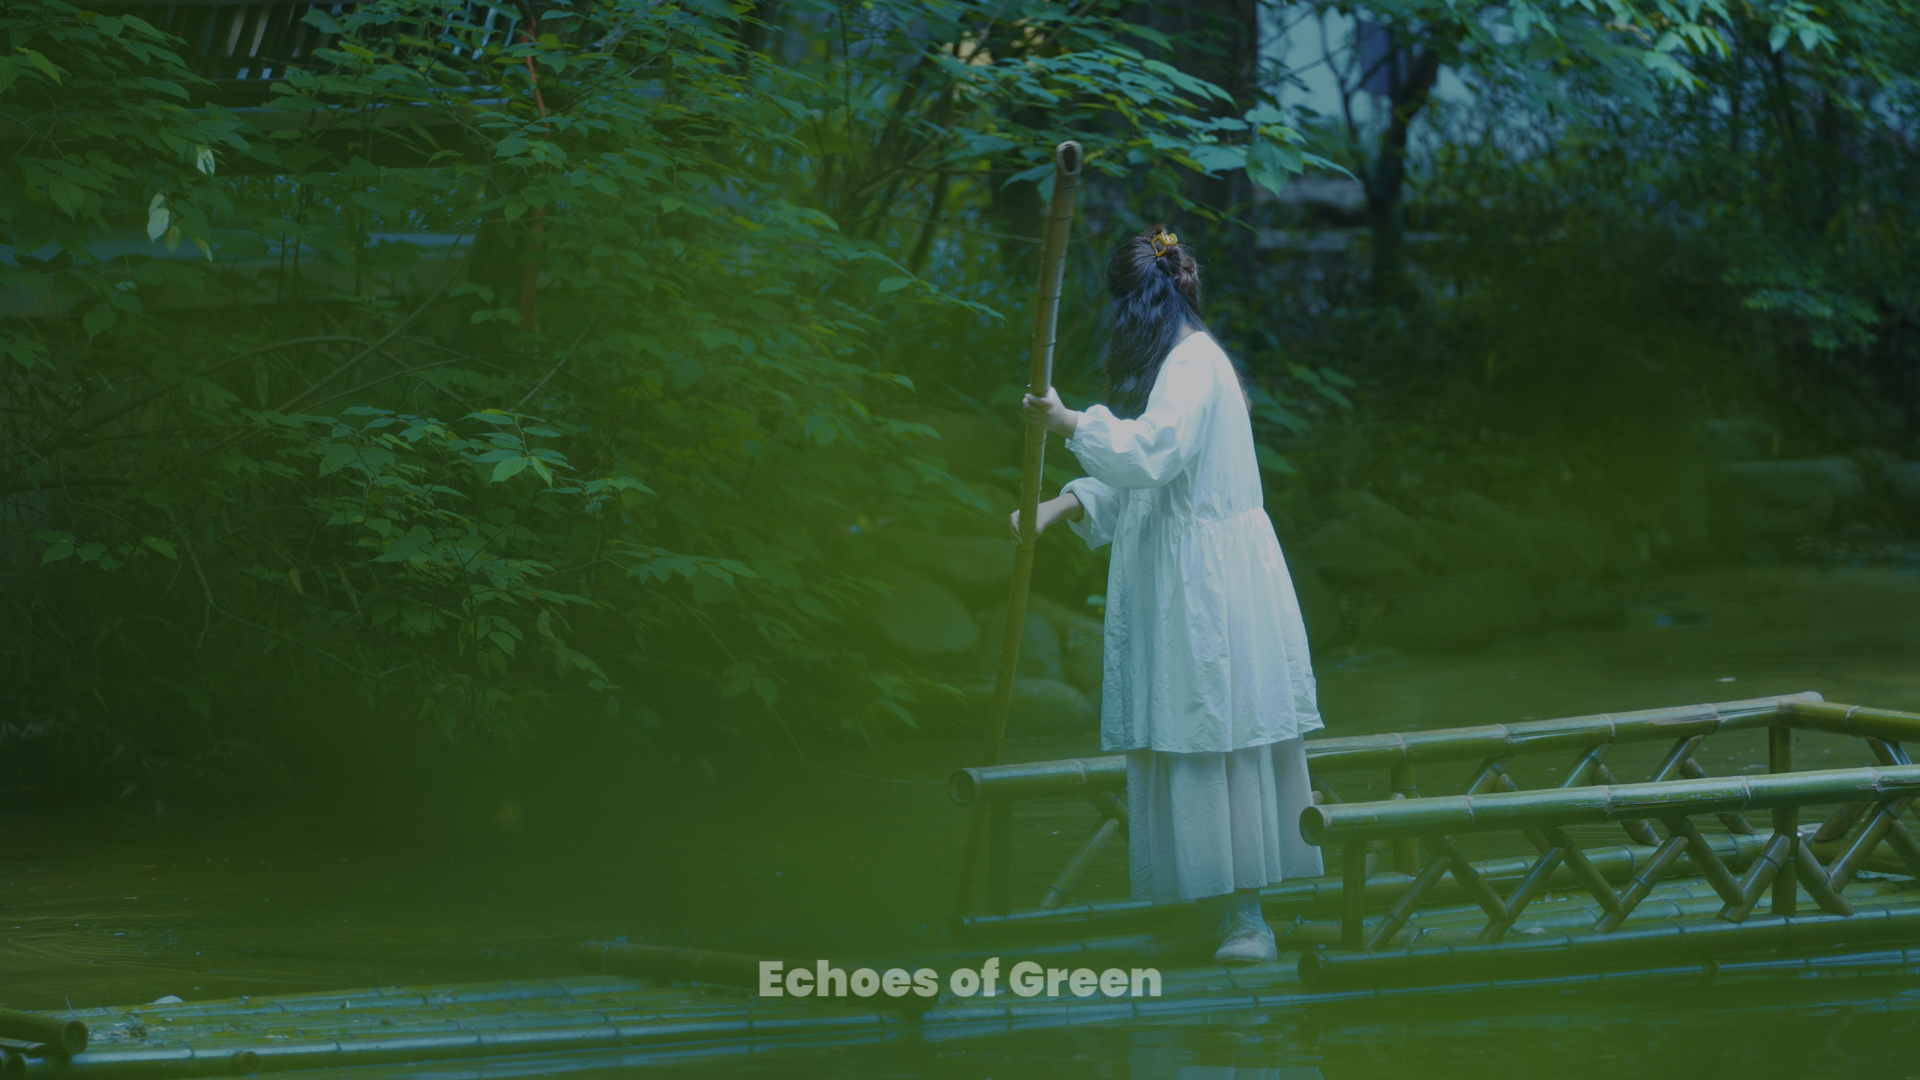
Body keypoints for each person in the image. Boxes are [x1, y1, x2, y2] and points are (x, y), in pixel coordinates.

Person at [1014, 225, 1323, 964]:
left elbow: (1150, 454)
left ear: (1137, 306)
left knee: (1216, 733)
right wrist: (1066, 504)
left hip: (1208, 588)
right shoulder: (1182, 367)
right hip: (1185, 581)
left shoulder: (1192, 367)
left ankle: (1246, 916)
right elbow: (1152, 490)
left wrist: (1068, 420)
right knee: (1182, 735)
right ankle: (1197, 906)